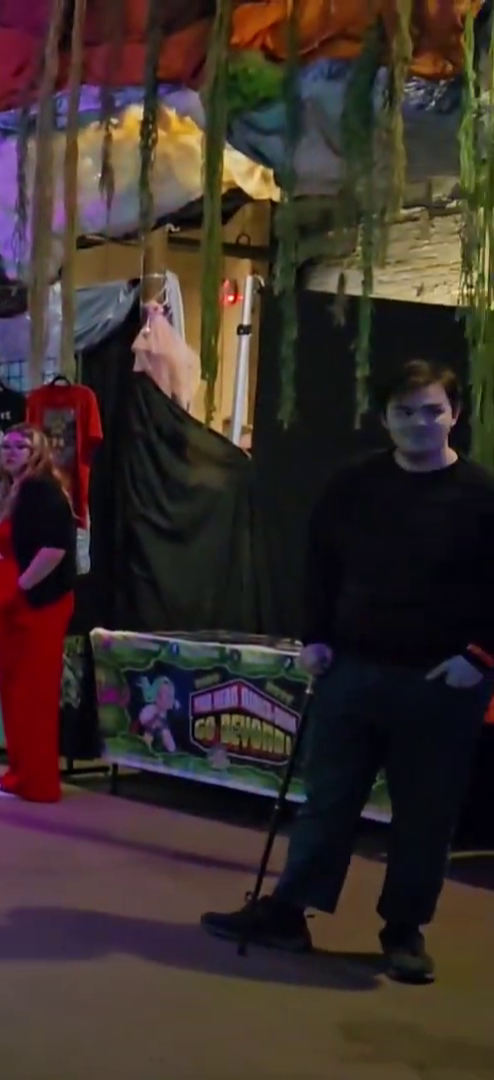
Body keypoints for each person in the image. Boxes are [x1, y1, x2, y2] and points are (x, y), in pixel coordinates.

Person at [202, 361, 494, 985]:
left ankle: (404, 929)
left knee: (426, 815)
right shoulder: (352, 485)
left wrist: (480, 659)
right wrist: (314, 638)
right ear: (384, 417)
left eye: (432, 410)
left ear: (455, 415)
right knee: (327, 802)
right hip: (352, 671)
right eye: (405, 411)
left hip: (441, 684)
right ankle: (289, 913)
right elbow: (319, 567)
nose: (419, 423)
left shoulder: (482, 495)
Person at [0, 423, 77, 803]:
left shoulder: (42, 489)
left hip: (37, 603)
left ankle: (36, 781)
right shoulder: (13, 490)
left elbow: (54, 550)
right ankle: (19, 772)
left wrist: (20, 589)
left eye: (20, 446)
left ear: (37, 452)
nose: (10, 452)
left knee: (32, 693)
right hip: (12, 600)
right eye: (6, 446)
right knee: (14, 691)